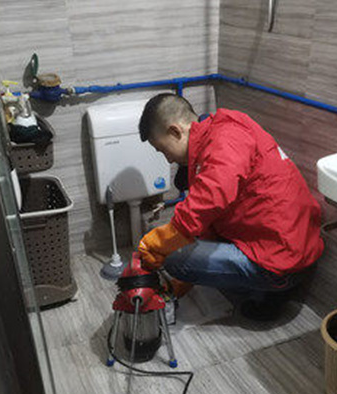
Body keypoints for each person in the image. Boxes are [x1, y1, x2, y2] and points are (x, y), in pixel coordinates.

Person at [137, 93, 324, 319]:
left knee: (175, 259)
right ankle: (262, 285)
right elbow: (210, 217)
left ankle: (270, 292)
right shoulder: (221, 130)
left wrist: (161, 243)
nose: (167, 159)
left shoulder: (226, 138)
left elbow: (212, 195)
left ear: (175, 132)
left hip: (283, 261)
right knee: (185, 245)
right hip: (289, 246)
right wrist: (185, 278)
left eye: (162, 149)